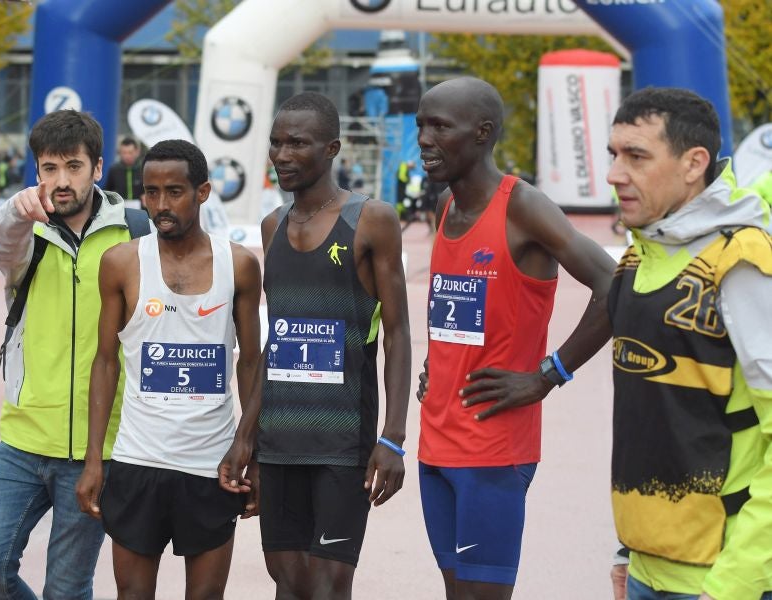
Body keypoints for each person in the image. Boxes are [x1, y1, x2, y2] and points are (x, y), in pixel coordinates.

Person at [414, 77, 615, 600]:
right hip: (436, 440)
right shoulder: (444, 206)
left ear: (482, 133)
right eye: (421, 125)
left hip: (493, 448)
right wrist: (439, 362)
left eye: (440, 127)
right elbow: (460, 311)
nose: (424, 139)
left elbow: (613, 285)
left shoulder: (523, 206)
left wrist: (549, 374)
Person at [233, 91, 411, 599]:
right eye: (276, 143)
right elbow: (278, 343)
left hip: (342, 440)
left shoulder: (371, 219)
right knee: (287, 579)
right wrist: (247, 436)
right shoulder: (271, 227)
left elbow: (398, 332)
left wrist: (393, 436)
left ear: (332, 148)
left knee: (328, 585)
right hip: (279, 439)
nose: (282, 155)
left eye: (297, 143)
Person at [0, 110, 142, 600]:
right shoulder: (27, 233)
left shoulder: (135, 233)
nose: (61, 180)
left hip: (99, 447)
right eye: (49, 168)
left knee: (66, 590)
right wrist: (16, 210)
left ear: (97, 168)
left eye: (73, 166)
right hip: (22, 439)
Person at [75, 139, 262, 598]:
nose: (161, 205)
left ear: (203, 192)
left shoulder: (239, 265)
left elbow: (252, 363)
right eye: (151, 192)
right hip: (138, 460)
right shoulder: (120, 263)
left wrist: (251, 448)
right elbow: (105, 362)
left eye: (174, 192)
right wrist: (95, 459)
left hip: (212, 465)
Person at [606, 87, 772, 600]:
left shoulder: (741, 263)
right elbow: (653, 423)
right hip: (645, 569)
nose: (614, 174)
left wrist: (734, 584)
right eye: (614, 154)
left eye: (637, 157)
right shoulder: (638, 258)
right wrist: (629, 553)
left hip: (720, 579)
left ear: (693, 164)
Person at [104, 136, 143, 201]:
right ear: (120, 153)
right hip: (120, 205)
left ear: (137, 152)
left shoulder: (143, 169)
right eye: (124, 153)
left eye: (130, 152)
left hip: (140, 205)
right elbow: (107, 191)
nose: (127, 156)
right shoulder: (114, 170)